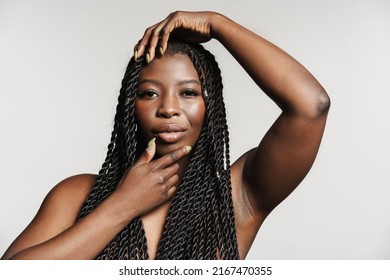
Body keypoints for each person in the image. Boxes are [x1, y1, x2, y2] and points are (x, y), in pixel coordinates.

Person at [1, 11, 330, 260]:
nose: (169, 108)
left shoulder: (235, 198)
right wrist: (121, 207)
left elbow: (311, 106)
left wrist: (217, 25)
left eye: (188, 93)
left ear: (209, 106)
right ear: (130, 107)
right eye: (149, 94)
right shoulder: (77, 195)